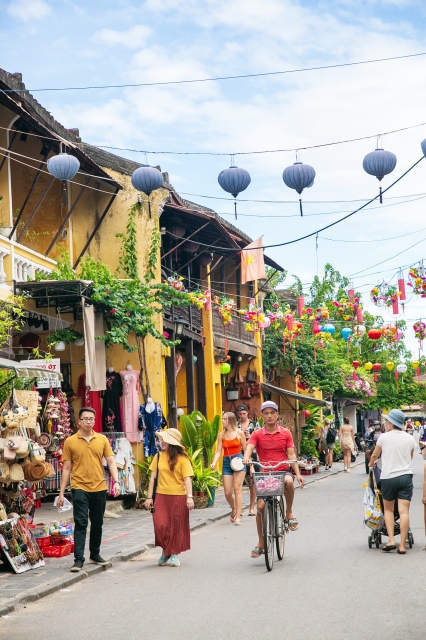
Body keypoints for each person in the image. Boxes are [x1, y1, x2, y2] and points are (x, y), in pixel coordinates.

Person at [58, 407, 121, 572]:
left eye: (91, 419)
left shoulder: (102, 439)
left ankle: (95, 553)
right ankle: (78, 559)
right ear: (79, 421)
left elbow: (111, 461)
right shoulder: (70, 441)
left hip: (99, 487)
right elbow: (66, 468)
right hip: (79, 487)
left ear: (94, 421)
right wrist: (61, 493)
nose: (88, 421)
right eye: (85, 418)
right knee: (80, 523)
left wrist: (116, 481)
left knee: (97, 523)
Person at [243, 401, 304, 559]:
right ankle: (261, 543)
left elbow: (291, 454)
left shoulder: (286, 433)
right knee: (260, 507)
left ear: (277, 415)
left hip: (282, 470)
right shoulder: (257, 434)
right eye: (266, 413)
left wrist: (297, 474)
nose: (269, 416)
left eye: (272, 413)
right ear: (262, 416)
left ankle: (289, 513)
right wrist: (246, 457)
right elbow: (249, 447)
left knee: (289, 482)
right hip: (265, 473)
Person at [144, 428, 194, 567]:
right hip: (160, 496)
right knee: (160, 524)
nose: (161, 441)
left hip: (179, 497)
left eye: (164, 439)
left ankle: (174, 553)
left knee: (176, 526)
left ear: (171, 442)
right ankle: (166, 550)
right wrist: (149, 498)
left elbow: (187, 479)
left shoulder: (183, 459)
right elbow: (152, 478)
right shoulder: (158, 456)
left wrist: (190, 497)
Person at [369, 409, 415, 554]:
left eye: (387, 421)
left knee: (388, 509)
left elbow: (375, 455)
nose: (385, 423)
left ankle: (391, 540)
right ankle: (402, 546)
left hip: (388, 477)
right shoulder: (410, 438)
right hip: (405, 477)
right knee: (404, 511)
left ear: (391, 422)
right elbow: (410, 457)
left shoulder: (383, 437)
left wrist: (371, 463)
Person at [211, 412, 246, 525]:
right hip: (227, 461)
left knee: (237, 489)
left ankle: (238, 517)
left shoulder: (239, 433)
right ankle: (234, 508)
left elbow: (246, 450)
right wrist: (214, 462)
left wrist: (249, 465)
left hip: (239, 461)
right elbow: (218, 451)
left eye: (225, 419)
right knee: (227, 492)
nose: (222, 421)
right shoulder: (221, 435)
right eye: (222, 419)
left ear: (230, 420)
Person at [237, 404, 259, 516]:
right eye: (240, 414)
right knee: (238, 483)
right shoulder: (235, 425)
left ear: (247, 413)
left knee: (252, 482)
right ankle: (239, 508)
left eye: (244, 413)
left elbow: (259, 439)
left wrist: (250, 437)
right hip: (239, 455)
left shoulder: (254, 424)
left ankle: (251, 507)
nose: (242, 416)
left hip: (253, 454)